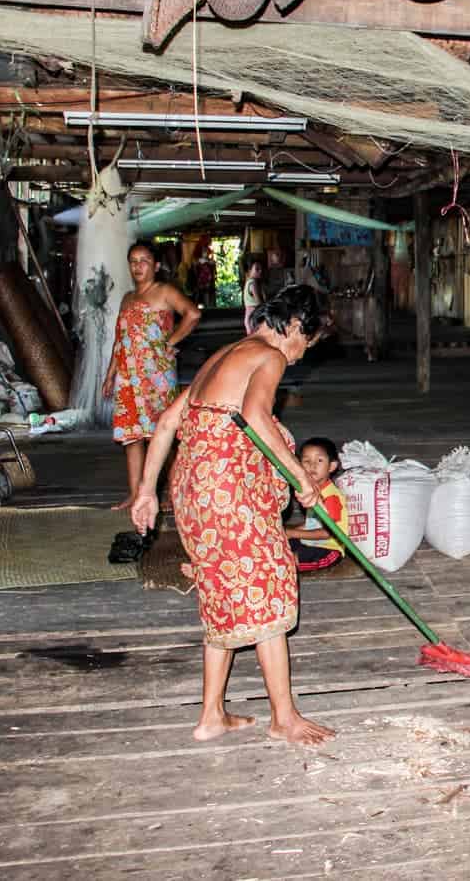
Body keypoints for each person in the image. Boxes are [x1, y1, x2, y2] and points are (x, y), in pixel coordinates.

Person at [129, 285, 335, 746]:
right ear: (297, 328)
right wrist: (302, 481)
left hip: (192, 490)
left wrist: (147, 492)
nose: (301, 356)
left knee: (222, 590)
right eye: (308, 343)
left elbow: (166, 424)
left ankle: (211, 716)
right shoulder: (269, 355)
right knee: (267, 585)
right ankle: (283, 717)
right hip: (226, 493)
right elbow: (258, 416)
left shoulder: (224, 353)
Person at [105, 242, 201, 512]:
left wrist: (171, 342)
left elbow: (193, 314)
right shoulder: (127, 298)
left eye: (144, 261)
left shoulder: (164, 291)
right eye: (133, 261)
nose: (138, 267)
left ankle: (172, 491)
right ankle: (136, 494)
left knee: (163, 433)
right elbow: (119, 339)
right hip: (127, 376)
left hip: (156, 376)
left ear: (156, 266)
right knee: (132, 436)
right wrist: (110, 373)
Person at [285, 437, 346, 573]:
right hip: (312, 541)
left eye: (319, 460)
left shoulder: (331, 497)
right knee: (279, 545)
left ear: (332, 466)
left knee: (289, 562)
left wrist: (292, 532)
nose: (312, 465)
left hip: (328, 549)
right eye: (306, 461)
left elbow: (328, 532)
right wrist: (288, 533)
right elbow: (312, 524)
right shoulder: (312, 490)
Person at [242, 257, 266, 335]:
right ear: (249, 271)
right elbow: (260, 303)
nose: (260, 271)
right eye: (257, 269)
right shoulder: (253, 283)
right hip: (254, 317)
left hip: (250, 317)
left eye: (261, 269)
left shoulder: (248, 281)